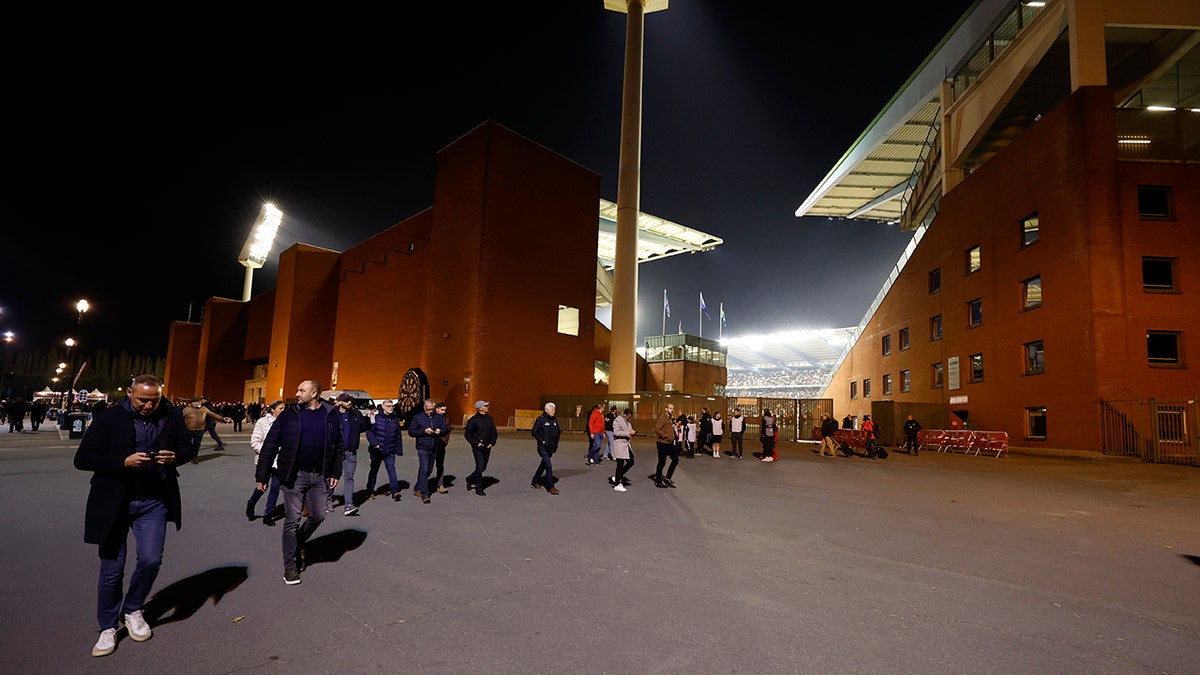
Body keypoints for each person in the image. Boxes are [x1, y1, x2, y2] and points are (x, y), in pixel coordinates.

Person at [73, 374, 194, 657]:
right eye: (142, 400)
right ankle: (107, 627)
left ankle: (133, 609)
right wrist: (122, 462)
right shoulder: (108, 418)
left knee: (151, 559)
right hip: (114, 501)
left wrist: (176, 456)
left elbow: (189, 447)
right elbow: (82, 459)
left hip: (153, 501)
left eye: (155, 400)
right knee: (112, 568)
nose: (149, 406)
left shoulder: (171, 414)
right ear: (129, 393)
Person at [256, 380, 344, 586]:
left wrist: (335, 471)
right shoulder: (289, 414)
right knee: (292, 519)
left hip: (320, 476)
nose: (296, 393)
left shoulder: (330, 414)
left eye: (301, 390)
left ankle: (297, 544)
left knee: (318, 515)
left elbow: (338, 445)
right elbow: (270, 445)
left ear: (314, 393)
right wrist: (262, 475)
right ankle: (290, 566)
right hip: (294, 476)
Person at [327, 392, 368, 515]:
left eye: (350, 400)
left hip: (350, 451)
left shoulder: (356, 414)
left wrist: (370, 420)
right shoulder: (332, 415)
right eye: (346, 400)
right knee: (332, 478)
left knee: (349, 478)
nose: (349, 402)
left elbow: (364, 427)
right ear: (339, 402)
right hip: (336, 452)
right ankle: (328, 501)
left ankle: (349, 505)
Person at [246, 400, 286, 524]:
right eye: (280, 408)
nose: (283, 411)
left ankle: (268, 514)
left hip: (280, 461)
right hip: (265, 460)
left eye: (285, 408)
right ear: (272, 410)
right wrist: (267, 452)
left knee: (275, 487)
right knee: (262, 486)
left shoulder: (287, 423)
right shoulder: (262, 422)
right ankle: (251, 503)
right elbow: (255, 442)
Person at [408, 398, 446, 504]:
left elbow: (446, 429)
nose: (430, 411)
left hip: (434, 446)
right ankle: (425, 494)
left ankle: (418, 486)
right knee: (424, 469)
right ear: (424, 408)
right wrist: (424, 431)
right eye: (428, 409)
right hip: (422, 446)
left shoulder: (438, 418)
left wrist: (440, 431)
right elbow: (411, 432)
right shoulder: (418, 417)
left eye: (432, 409)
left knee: (428, 470)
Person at [365, 399, 403, 501]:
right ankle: (370, 491)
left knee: (391, 469)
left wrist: (399, 449)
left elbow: (398, 435)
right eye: (389, 406)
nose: (391, 408)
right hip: (377, 450)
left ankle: (395, 491)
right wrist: (374, 443)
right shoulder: (376, 418)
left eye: (392, 406)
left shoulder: (394, 419)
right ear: (383, 407)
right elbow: (369, 432)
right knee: (374, 470)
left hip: (390, 450)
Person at [463, 399, 498, 496]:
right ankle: (479, 488)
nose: (488, 407)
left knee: (483, 467)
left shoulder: (489, 419)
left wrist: (492, 443)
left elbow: (494, 432)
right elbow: (468, 434)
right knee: (480, 465)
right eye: (485, 406)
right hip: (478, 447)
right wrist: (476, 443)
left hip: (487, 446)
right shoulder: (473, 420)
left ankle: (470, 479)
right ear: (479, 408)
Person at [530, 402, 561, 494]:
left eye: (554, 410)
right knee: (548, 465)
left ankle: (535, 481)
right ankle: (550, 487)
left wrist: (555, 443)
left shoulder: (555, 420)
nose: (554, 411)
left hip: (551, 448)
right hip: (542, 448)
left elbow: (558, 432)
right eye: (552, 410)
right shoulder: (541, 419)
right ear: (547, 410)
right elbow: (534, 432)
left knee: (543, 465)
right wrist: (541, 440)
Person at [608, 408, 635, 492]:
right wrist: (628, 433)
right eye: (628, 417)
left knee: (631, 462)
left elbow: (629, 430)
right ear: (624, 414)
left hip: (626, 445)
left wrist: (632, 432)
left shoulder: (627, 421)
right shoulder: (617, 420)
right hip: (619, 444)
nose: (628, 418)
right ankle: (617, 484)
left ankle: (617, 476)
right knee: (620, 464)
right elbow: (616, 432)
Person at [652, 403, 679, 488]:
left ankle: (668, 478)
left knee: (675, 459)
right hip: (663, 443)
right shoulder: (663, 417)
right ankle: (658, 481)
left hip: (670, 443)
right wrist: (665, 435)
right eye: (670, 408)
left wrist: (674, 436)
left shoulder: (670, 418)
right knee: (662, 462)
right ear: (666, 409)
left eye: (673, 408)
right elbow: (657, 428)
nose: (672, 410)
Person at [431, 401, 453, 494]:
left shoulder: (446, 418)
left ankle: (440, 485)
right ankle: (420, 485)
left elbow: (448, 430)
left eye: (445, 410)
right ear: (437, 409)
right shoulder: (431, 417)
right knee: (427, 467)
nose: (444, 411)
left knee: (440, 465)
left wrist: (445, 441)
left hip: (441, 445)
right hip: (431, 445)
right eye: (442, 409)